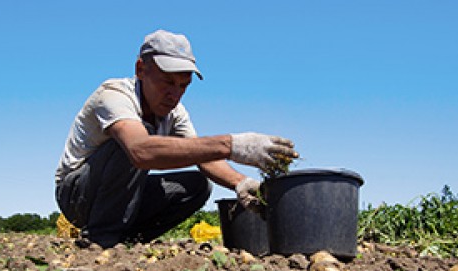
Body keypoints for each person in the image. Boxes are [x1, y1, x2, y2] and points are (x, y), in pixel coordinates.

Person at [55, 29, 297, 248]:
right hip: (77, 193)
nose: (175, 94)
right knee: (139, 144)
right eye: (167, 82)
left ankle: (126, 241)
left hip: (123, 195)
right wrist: (232, 145)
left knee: (198, 185)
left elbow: (203, 157)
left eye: (184, 86)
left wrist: (241, 183)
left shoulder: (175, 113)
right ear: (141, 69)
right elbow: (141, 151)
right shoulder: (114, 95)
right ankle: (100, 239)